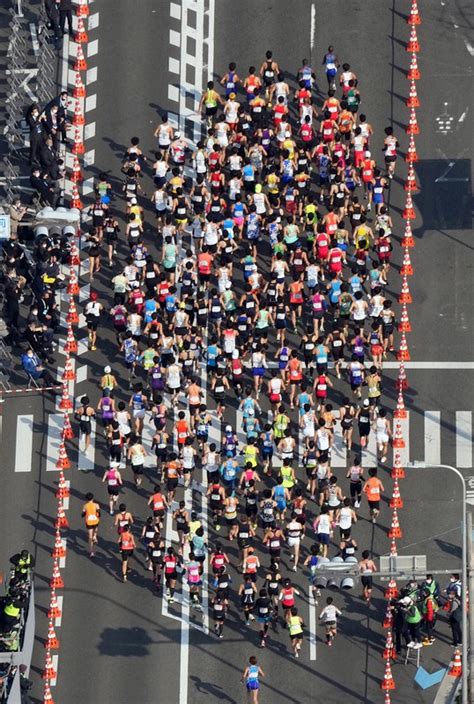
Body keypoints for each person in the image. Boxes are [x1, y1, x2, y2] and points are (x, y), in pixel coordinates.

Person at [81, 492, 100, 557]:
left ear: (86, 499)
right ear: (93, 498)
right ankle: (95, 536)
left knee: (90, 537)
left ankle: (91, 552)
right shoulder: (96, 505)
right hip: (95, 520)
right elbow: (99, 513)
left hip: (89, 522)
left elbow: (83, 514)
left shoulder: (85, 506)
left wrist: (84, 514)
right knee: (96, 529)